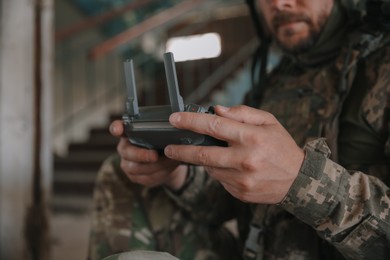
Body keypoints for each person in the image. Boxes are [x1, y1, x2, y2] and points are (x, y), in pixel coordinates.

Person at [88, 0, 390, 259]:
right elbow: (231, 200)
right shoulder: (271, 83)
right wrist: (179, 174)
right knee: (121, 172)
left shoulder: (382, 70)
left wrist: (301, 180)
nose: (279, 3)